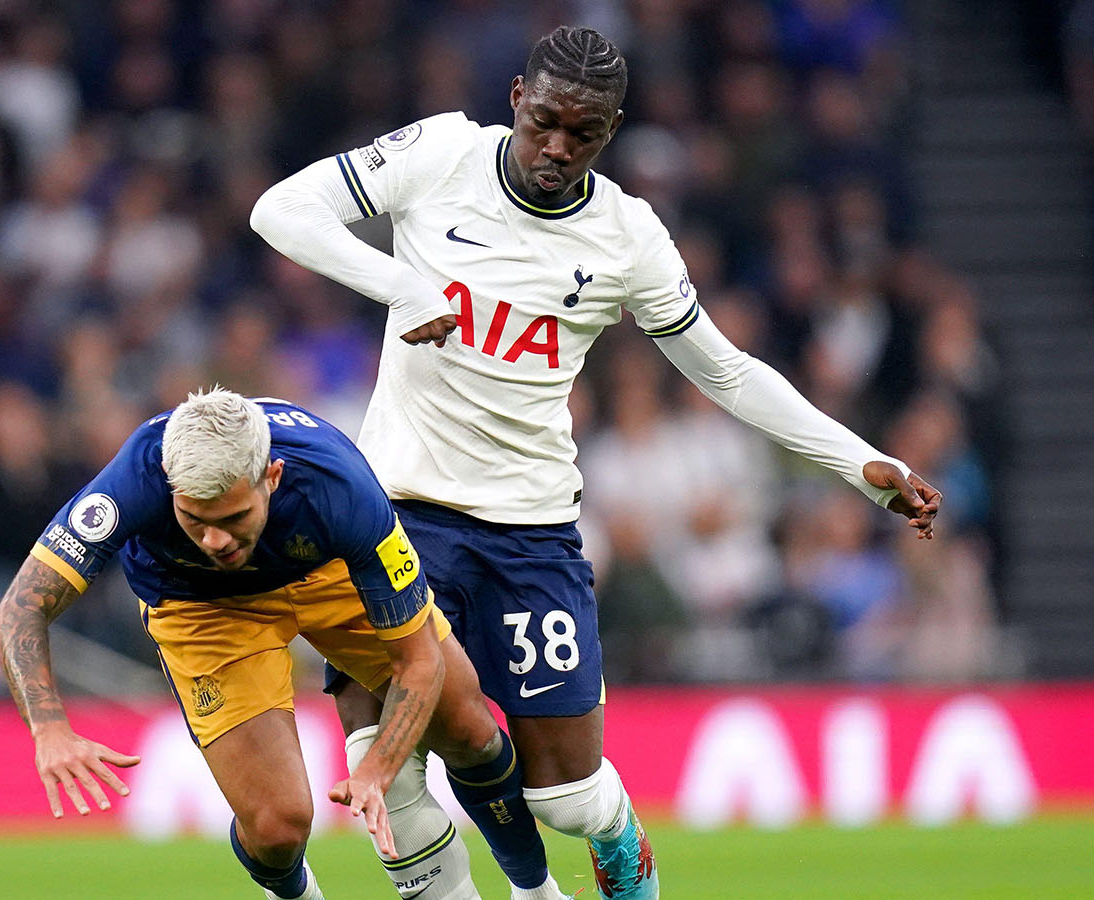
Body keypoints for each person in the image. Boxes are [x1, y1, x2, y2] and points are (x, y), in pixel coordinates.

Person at [250, 25, 942, 900]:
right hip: (400, 516)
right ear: (514, 98)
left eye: (583, 134)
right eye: (543, 121)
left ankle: (624, 860)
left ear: (609, 133)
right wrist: (402, 284)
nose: (555, 147)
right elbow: (279, 211)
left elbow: (723, 369)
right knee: (384, 766)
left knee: (569, 798)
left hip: (530, 532)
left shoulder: (628, 237)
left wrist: (860, 460)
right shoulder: (438, 154)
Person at [0, 388, 539, 900]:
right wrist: (50, 729)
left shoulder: (340, 485)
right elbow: (18, 611)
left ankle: (537, 890)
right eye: (194, 520)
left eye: (233, 518)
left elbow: (417, 660)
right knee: (278, 829)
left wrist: (378, 767)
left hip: (325, 575)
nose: (215, 540)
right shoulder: (135, 478)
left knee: (470, 729)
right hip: (200, 607)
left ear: (271, 477)